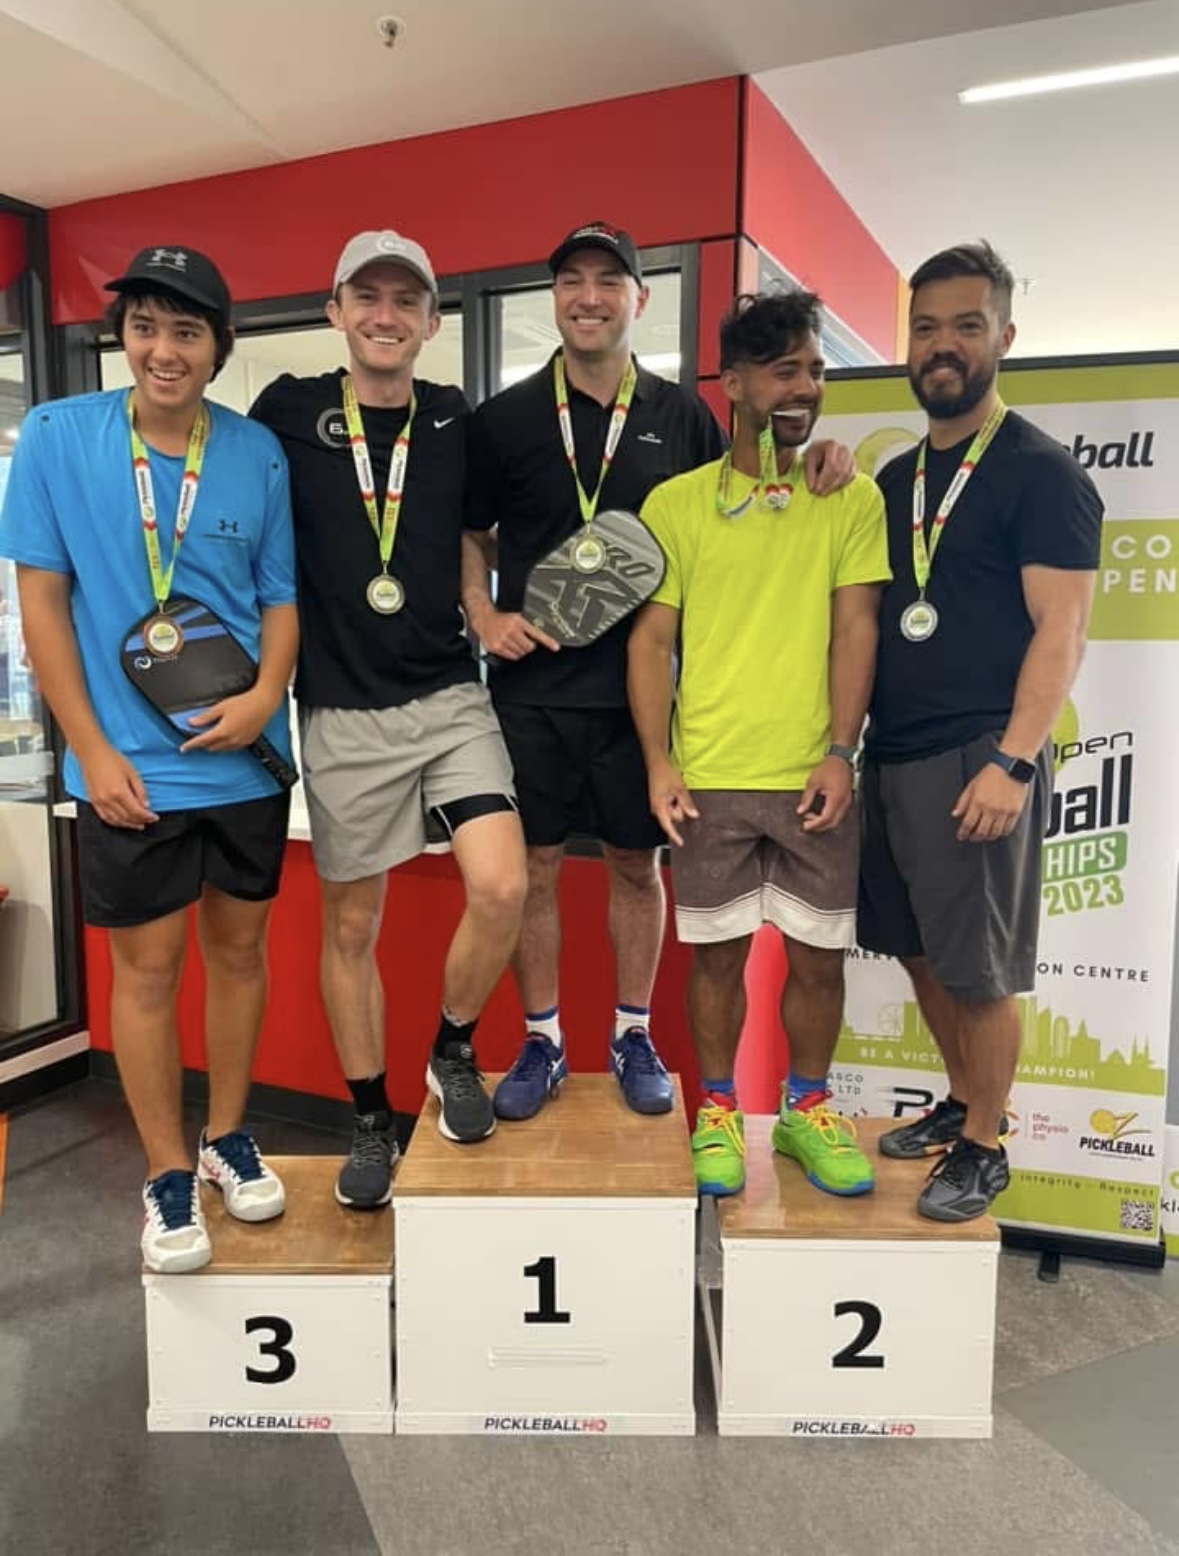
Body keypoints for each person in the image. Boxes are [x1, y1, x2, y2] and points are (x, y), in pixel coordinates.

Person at [463, 222, 853, 1123]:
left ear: (639, 300)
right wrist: (484, 614)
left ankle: (630, 1031)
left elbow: (757, 482)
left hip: (642, 701)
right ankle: (544, 1038)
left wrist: (828, 454)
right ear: (553, 298)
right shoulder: (507, 418)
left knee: (637, 871)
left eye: (609, 280)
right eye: (571, 280)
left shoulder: (682, 417)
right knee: (536, 869)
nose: (589, 296)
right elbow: (471, 534)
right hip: (531, 693)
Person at [0, 244, 298, 1272]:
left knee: (240, 957)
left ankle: (226, 1137)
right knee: (148, 970)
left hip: (246, 761)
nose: (162, 350)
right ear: (120, 335)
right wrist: (88, 748)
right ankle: (166, 1172)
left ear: (219, 346)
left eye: (185, 331)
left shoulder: (257, 452)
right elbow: (40, 602)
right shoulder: (57, 435)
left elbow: (279, 598)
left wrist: (266, 697)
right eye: (144, 327)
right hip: (125, 770)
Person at [251, 231, 526, 1208]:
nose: (384, 313)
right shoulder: (285, 409)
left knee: (502, 883)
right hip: (341, 711)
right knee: (352, 924)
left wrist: (485, 607)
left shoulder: (452, 419)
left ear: (430, 322)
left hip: (450, 696)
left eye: (405, 300)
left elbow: (470, 532)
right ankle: (371, 1116)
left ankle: (451, 1048)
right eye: (365, 296)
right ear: (335, 311)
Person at [858, 241, 1103, 1222]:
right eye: (925, 327)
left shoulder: (1040, 471)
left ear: (1004, 336)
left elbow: (1064, 628)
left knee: (981, 968)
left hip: (977, 758)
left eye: (966, 325)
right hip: (896, 752)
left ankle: (986, 1143)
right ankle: (963, 1099)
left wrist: (1013, 759)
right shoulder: (895, 479)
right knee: (921, 951)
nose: (943, 344)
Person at [629, 290, 890, 1198]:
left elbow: (855, 629)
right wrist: (660, 762)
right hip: (710, 775)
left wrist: (839, 750)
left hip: (808, 774)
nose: (806, 387)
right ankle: (715, 1110)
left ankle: (807, 1109)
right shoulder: (676, 504)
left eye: (815, 370)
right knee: (717, 958)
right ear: (733, 383)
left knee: (818, 960)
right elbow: (651, 641)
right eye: (785, 370)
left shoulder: (846, 496)